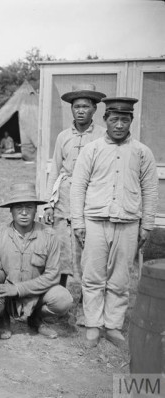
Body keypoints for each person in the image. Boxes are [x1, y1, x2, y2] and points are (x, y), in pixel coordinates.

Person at [71, 97, 158, 349]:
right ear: (105, 120)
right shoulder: (92, 149)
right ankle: (93, 325)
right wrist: (78, 222)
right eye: (114, 119)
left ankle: (113, 326)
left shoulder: (143, 152)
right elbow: (78, 187)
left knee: (120, 279)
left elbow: (150, 191)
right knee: (93, 277)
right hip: (95, 222)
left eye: (124, 119)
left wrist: (147, 225)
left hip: (129, 223)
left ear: (131, 120)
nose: (119, 125)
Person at [43, 84, 106, 324]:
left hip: (91, 197)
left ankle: (85, 307)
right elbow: (55, 170)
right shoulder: (63, 136)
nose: (81, 111)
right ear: (72, 109)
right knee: (60, 251)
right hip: (65, 198)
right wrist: (49, 204)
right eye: (76, 106)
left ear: (94, 109)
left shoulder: (102, 134)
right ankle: (58, 304)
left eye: (85, 107)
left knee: (88, 253)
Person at [0, 183, 73, 340]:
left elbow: (52, 276)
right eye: (19, 207)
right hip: (6, 294)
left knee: (63, 299)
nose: (24, 213)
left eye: (29, 207)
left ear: (36, 210)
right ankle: (2, 320)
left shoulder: (49, 236)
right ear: (10, 210)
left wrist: (19, 288)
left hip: (36, 294)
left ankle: (36, 319)